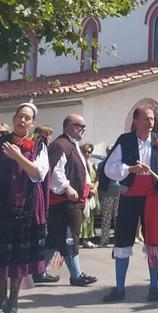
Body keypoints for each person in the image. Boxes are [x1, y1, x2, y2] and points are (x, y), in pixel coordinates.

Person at [0, 102, 49, 313]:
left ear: (32, 123)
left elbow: (38, 173)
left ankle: (13, 301)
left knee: (16, 257)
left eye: (27, 118)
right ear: (13, 118)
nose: (22, 120)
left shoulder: (39, 145)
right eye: (19, 116)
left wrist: (18, 157)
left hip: (23, 206)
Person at [102, 105, 158, 302]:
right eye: (146, 118)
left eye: (152, 118)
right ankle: (119, 289)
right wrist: (129, 169)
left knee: (154, 241)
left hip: (153, 197)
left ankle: (154, 287)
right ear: (135, 121)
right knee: (123, 241)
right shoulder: (125, 140)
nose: (150, 122)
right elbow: (109, 168)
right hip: (130, 196)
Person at [43, 114, 98, 287]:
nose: (83, 130)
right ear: (69, 126)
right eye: (80, 126)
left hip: (73, 201)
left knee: (54, 238)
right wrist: (67, 187)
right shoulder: (61, 145)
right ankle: (76, 275)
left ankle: (38, 271)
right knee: (70, 237)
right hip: (64, 201)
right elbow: (55, 171)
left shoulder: (72, 145)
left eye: (84, 127)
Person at [96, 143, 121, 248]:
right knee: (106, 217)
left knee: (118, 218)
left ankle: (119, 240)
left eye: (112, 151)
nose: (110, 152)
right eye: (109, 151)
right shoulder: (102, 164)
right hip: (107, 194)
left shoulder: (119, 163)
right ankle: (104, 240)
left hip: (119, 194)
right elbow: (98, 178)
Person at [80, 143, 99, 248]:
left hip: (92, 192)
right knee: (84, 216)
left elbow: (97, 179)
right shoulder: (80, 163)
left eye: (90, 152)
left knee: (90, 216)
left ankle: (87, 238)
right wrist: (89, 188)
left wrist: (94, 188)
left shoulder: (92, 164)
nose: (87, 154)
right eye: (85, 152)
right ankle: (83, 239)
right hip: (84, 192)